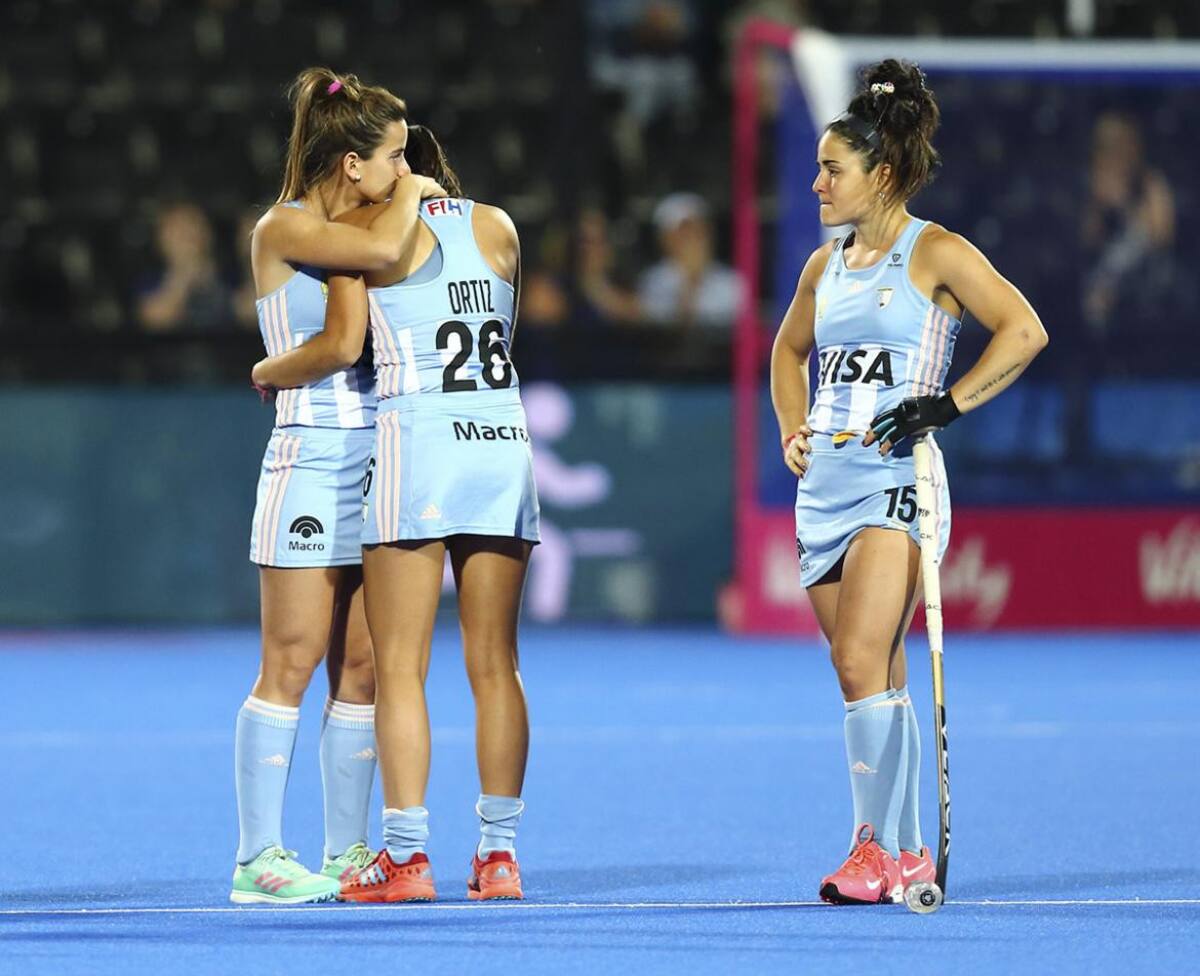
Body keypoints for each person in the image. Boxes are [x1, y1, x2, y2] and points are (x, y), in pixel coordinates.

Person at [769, 60, 1047, 905]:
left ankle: (867, 849)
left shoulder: (938, 253)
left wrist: (947, 406)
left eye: (832, 170)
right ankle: (910, 850)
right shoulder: (825, 268)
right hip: (825, 488)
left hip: (898, 480)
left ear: (880, 175)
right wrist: (792, 426)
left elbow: (1024, 331)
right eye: (817, 168)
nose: (817, 183)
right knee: (873, 675)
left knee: (860, 658)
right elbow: (787, 354)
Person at [271, 124, 539, 903]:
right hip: (499, 438)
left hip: (417, 441)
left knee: (398, 668)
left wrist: (268, 369)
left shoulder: (359, 237)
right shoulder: (498, 225)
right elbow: (504, 336)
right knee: (497, 663)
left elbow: (344, 342)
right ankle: (498, 856)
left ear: (400, 170)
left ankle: (408, 857)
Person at [231, 67, 444, 906]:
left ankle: (348, 852)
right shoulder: (284, 228)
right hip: (312, 456)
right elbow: (345, 331)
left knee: (360, 665)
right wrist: (265, 367)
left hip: (380, 455)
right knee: (290, 657)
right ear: (351, 163)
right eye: (394, 155)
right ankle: (258, 857)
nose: (406, 169)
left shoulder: (352, 221)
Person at [638, 191, 741, 328]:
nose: (692, 239)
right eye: (683, 232)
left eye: (698, 230)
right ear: (664, 239)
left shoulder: (732, 282)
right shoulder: (653, 282)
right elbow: (675, 328)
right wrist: (691, 279)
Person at [136, 201, 232, 331]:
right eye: (176, 230)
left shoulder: (229, 274)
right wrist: (183, 277)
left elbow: (251, 314)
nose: (186, 236)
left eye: (192, 225)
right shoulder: (149, 280)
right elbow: (155, 321)